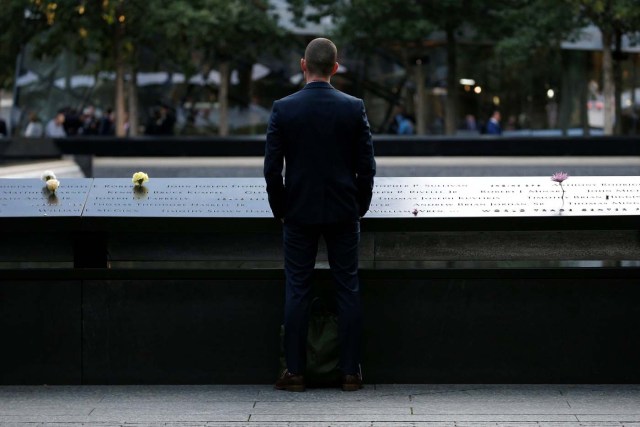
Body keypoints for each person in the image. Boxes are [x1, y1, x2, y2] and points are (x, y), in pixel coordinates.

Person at [264, 38, 376, 393]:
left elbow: (271, 171)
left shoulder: (283, 108)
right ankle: (350, 373)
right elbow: (367, 168)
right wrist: (360, 206)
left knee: (297, 289)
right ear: (335, 67)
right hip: (343, 211)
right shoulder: (353, 106)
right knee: (348, 288)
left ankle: (295, 372)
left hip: (298, 213)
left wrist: (281, 209)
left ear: (303, 65)